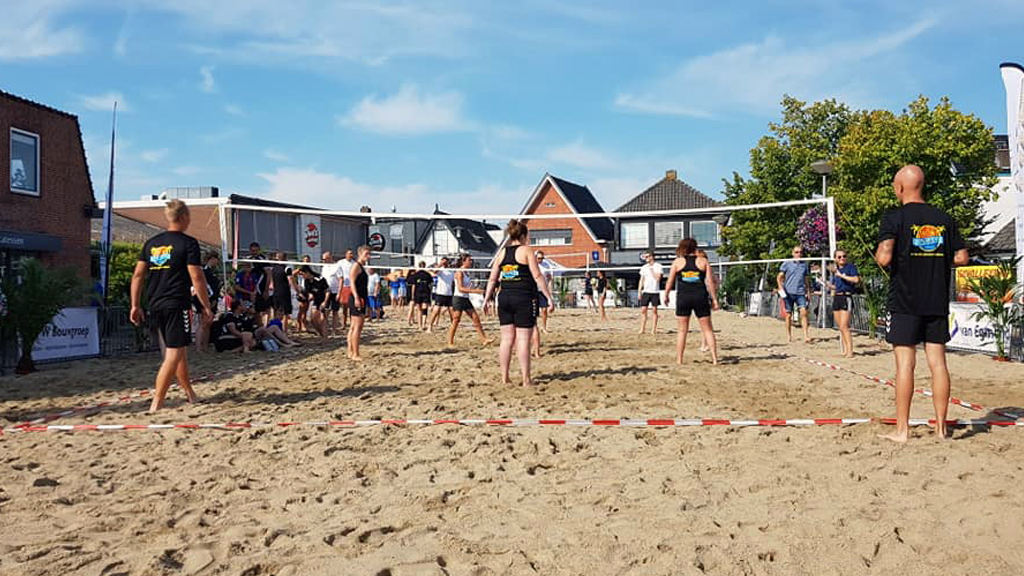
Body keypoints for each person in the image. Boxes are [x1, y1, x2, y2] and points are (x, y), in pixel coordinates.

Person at [875, 165, 968, 443]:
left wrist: (890, 253)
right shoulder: (944, 218)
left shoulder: (894, 217)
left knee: (905, 364)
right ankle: (941, 429)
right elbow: (962, 257)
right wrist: (936, 261)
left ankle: (902, 431)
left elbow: (884, 258)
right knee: (938, 363)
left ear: (901, 188)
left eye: (894, 185)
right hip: (935, 299)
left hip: (905, 300)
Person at [130, 199, 211, 412]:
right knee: (173, 354)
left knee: (179, 351)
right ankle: (157, 402)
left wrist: (135, 304)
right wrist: (206, 306)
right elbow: (197, 277)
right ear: (184, 217)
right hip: (176, 303)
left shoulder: (151, 243)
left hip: (154, 303)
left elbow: (138, 275)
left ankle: (190, 394)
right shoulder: (188, 243)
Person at [483, 220, 555, 387]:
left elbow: (493, 278)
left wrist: (487, 299)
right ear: (523, 235)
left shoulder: (501, 253)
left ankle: (504, 378)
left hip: (504, 297)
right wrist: (549, 297)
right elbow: (538, 276)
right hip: (523, 297)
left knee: (506, 339)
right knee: (523, 340)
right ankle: (526, 379)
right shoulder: (526, 250)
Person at [664, 237, 719, 365]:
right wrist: (715, 299)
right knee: (707, 329)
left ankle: (679, 359)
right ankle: (715, 359)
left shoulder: (677, 262)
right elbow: (710, 282)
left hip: (684, 298)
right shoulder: (703, 261)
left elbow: (670, 280)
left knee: (682, 330)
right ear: (695, 247)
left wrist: (666, 294)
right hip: (700, 296)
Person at [447, 254, 494, 347]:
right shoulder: (459, 272)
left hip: (465, 298)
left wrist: (475, 289)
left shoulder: (466, 273)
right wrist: (475, 291)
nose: (471, 262)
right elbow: (460, 288)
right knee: (456, 320)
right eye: (469, 260)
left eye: (471, 260)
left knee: (476, 319)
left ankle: (484, 339)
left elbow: (467, 287)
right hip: (458, 298)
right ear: (463, 261)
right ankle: (450, 342)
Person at [828, 249, 860, 358]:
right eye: (839, 257)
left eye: (844, 256)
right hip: (837, 297)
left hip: (846, 296)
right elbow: (835, 286)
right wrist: (826, 284)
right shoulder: (835, 271)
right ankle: (846, 349)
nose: (842, 258)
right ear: (835, 259)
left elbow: (856, 280)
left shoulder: (850, 267)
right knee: (840, 327)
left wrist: (841, 275)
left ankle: (850, 350)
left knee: (844, 325)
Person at [777, 245, 812, 343]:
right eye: (796, 252)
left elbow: (806, 279)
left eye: (800, 252)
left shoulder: (804, 265)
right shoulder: (787, 263)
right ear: (793, 253)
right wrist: (780, 288)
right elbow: (779, 277)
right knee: (788, 315)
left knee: (804, 312)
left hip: (800, 292)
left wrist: (808, 291)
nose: (799, 254)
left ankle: (806, 335)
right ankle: (789, 336)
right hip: (788, 292)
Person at [193, 252, 222, 352]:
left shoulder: (213, 271)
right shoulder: (204, 271)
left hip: (213, 299)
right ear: (211, 259)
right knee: (203, 322)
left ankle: (205, 346)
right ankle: (198, 347)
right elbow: (205, 287)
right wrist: (208, 300)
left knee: (209, 322)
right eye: (216, 259)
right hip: (205, 299)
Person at [347, 246, 372, 361]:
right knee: (357, 327)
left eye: (369, 254)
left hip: (361, 297)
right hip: (357, 298)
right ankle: (355, 353)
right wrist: (357, 297)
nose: (368, 256)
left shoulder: (361, 266)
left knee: (354, 327)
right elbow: (351, 282)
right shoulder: (356, 266)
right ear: (360, 254)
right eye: (366, 254)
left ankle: (351, 351)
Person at [269, 251, 295, 332]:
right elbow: (290, 280)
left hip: (275, 292)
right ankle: (284, 331)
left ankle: (276, 330)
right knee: (285, 313)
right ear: (285, 258)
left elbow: (271, 280)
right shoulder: (287, 268)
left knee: (276, 311)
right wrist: (296, 289)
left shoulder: (273, 268)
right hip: (284, 292)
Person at [638, 251, 663, 334]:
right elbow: (641, 280)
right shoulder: (644, 267)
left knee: (654, 311)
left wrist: (652, 270)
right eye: (645, 257)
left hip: (654, 291)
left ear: (652, 257)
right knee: (643, 310)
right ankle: (642, 329)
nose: (646, 258)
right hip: (646, 291)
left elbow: (658, 278)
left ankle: (653, 329)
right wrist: (639, 291)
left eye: (648, 256)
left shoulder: (658, 266)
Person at [429, 257, 455, 332]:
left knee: (451, 311)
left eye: (446, 262)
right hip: (440, 293)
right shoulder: (441, 270)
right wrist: (441, 263)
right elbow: (435, 271)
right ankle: (430, 326)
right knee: (436, 311)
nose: (446, 263)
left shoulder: (451, 271)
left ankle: (453, 326)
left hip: (449, 293)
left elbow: (453, 282)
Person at [320, 252, 343, 337]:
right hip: (326, 292)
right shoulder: (324, 267)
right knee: (325, 311)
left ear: (330, 258)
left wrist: (339, 293)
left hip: (335, 291)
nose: (323, 261)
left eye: (325, 259)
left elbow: (341, 279)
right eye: (323, 259)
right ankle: (325, 330)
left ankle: (334, 330)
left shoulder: (337, 266)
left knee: (335, 312)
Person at [409, 261, 434, 330]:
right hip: (423, 292)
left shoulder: (424, 274)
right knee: (423, 309)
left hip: (420, 293)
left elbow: (413, 286)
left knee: (420, 309)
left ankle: (421, 325)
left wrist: (412, 295)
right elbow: (430, 285)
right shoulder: (423, 274)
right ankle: (422, 324)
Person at [534, 251, 554, 333]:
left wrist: (550, 290)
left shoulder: (546, 265)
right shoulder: (532, 265)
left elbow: (549, 278)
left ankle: (544, 327)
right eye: (539, 258)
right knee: (534, 311)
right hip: (534, 290)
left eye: (542, 258)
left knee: (544, 310)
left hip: (543, 290)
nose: (541, 260)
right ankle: (534, 328)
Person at [293, 255, 312, 334]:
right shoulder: (300, 268)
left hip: (308, 290)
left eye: (308, 260)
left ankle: (304, 325)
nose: (306, 261)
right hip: (302, 290)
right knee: (301, 309)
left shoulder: (310, 269)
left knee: (305, 309)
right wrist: (297, 288)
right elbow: (293, 274)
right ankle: (299, 325)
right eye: (305, 260)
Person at [339, 249, 356, 330]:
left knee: (352, 306)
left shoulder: (354, 263)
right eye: (349, 253)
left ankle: (352, 323)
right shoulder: (341, 262)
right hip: (344, 286)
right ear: (346, 254)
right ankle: (344, 324)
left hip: (352, 286)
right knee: (344, 306)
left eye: (352, 253)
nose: (351, 255)